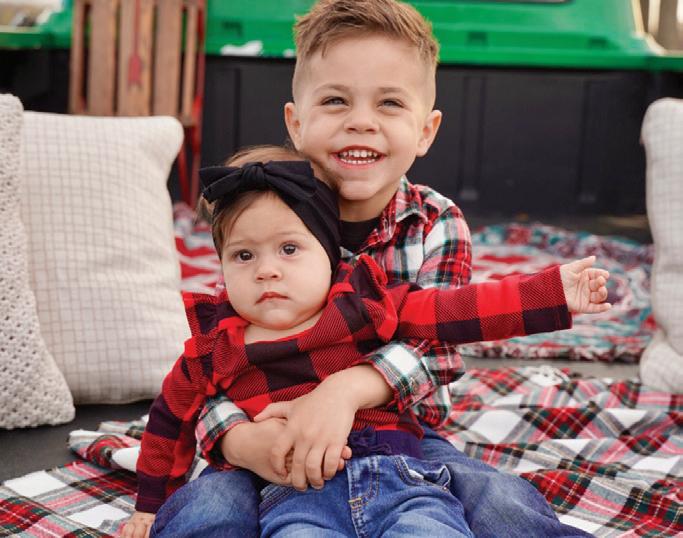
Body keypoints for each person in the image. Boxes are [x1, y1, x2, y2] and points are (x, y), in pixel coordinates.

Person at [149, 1, 601, 537]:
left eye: (389, 102)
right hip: (271, 429)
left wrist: (341, 392)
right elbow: (214, 361)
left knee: (498, 502)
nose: (361, 121)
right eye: (335, 100)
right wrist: (238, 440)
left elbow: (437, 341)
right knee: (208, 508)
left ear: (425, 130)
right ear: (297, 123)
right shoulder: (263, 218)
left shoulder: (435, 222)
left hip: (399, 432)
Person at [124, 153, 609, 537]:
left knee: (452, 520)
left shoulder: (363, 303)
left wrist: (552, 293)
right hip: (295, 494)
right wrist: (150, 505)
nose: (266, 270)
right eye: (243, 255)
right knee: (234, 516)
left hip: (401, 475)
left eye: (289, 249)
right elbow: (168, 421)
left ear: (329, 255)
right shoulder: (213, 349)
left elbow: (457, 310)